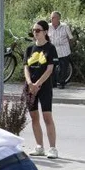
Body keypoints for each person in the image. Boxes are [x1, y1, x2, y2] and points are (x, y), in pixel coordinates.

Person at [24, 20, 59, 159]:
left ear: (45, 32)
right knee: (34, 116)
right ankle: (39, 146)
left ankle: (53, 148)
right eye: (33, 30)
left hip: (44, 87)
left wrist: (37, 84)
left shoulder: (50, 48)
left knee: (47, 116)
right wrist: (30, 84)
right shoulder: (29, 49)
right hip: (30, 87)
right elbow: (26, 67)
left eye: (38, 30)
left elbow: (50, 69)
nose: (35, 33)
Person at [48, 11, 76, 89]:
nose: (51, 19)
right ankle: (52, 83)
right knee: (51, 68)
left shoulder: (65, 27)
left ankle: (62, 83)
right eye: (51, 17)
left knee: (63, 68)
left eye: (53, 17)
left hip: (63, 50)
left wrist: (69, 47)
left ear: (58, 18)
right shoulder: (48, 27)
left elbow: (71, 38)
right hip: (53, 50)